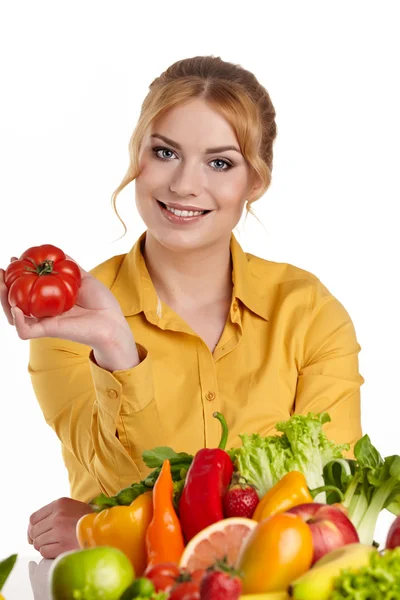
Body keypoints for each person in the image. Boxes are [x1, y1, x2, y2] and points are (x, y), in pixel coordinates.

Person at [0, 55, 364, 560]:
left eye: (220, 162)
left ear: (255, 181)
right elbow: (115, 477)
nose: (184, 185)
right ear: (137, 156)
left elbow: (328, 513)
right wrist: (116, 349)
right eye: (165, 152)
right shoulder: (69, 318)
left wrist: (105, 529)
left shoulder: (309, 313)